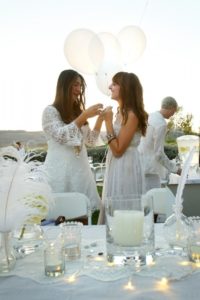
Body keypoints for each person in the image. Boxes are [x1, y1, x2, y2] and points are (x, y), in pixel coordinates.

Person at [42, 69, 104, 212]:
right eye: (75, 85)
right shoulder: (50, 111)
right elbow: (61, 136)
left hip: (80, 171)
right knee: (59, 214)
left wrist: (99, 120)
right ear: (64, 86)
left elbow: (90, 141)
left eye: (80, 86)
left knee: (82, 214)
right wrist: (84, 116)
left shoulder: (78, 113)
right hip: (59, 172)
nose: (78, 89)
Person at [98, 71, 148, 223]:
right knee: (114, 206)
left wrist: (107, 122)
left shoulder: (132, 114)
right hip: (117, 165)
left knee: (124, 210)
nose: (110, 86)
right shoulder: (121, 112)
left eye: (114, 83)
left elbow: (119, 150)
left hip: (127, 167)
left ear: (125, 88)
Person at [138, 96, 182, 192]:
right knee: (152, 200)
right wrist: (175, 169)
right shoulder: (161, 124)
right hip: (150, 170)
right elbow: (158, 154)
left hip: (139, 163)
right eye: (173, 111)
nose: (173, 114)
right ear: (170, 107)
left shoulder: (151, 116)